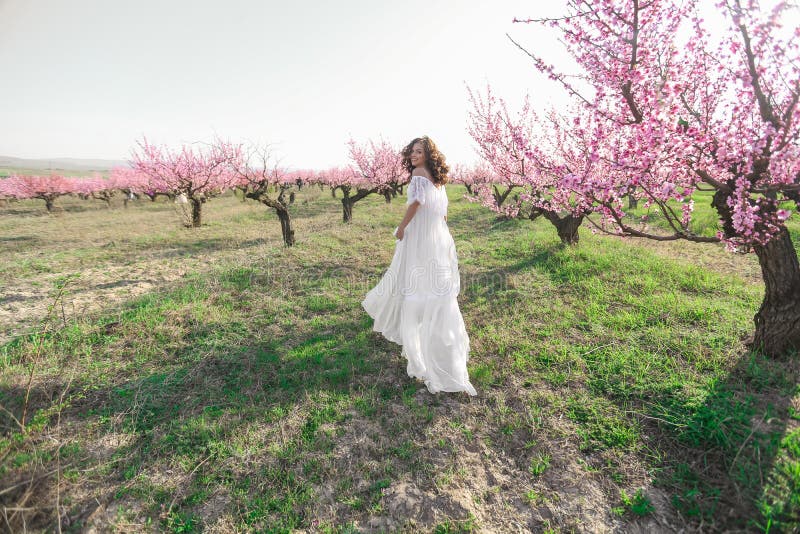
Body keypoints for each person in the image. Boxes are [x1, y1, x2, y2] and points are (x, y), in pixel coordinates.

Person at [362, 136, 477, 396]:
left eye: (419, 151)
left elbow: (415, 203)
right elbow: (444, 212)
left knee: (413, 285)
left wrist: (402, 227)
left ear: (427, 154)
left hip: (421, 238)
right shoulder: (438, 179)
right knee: (436, 289)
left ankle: (422, 350)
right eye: (412, 151)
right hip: (438, 237)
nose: (414, 155)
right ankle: (441, 345)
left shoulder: (418, 174)